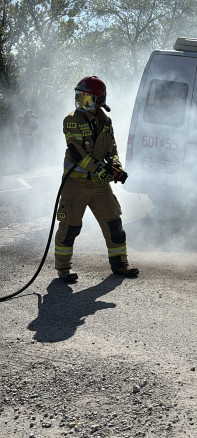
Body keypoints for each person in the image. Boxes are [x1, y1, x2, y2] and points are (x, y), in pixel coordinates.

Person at [54, 76, 139, 283]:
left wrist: (116, 167)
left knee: (114, 224)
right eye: (79, 97)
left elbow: (113, 149)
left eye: (87, 99)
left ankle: (120, 264)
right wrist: (99, 169)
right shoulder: (71, 119)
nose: (82, 102)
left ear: (98, 100)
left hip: (100, 185)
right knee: (70, 228)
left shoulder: (106, 122)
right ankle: (63, 269)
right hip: (76, 184)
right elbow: (76, 151)